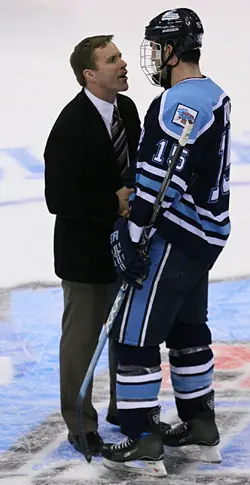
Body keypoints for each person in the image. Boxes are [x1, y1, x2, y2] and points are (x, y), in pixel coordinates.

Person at [102, 8, 231, 477]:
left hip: (175, 237)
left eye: (157, 47)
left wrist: (132, 232)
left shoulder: (181, 100)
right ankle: (201, 427)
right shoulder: (214, 93)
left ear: (173, 51)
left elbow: (163, 175)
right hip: (204, 238)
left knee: (133, 335)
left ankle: (142, 439)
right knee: (187, 333)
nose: (153, 57)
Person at [44, 35, 141, 455]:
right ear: (89, 73)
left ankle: (129, 408)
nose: (123, 65)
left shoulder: (129, 110)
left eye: (120, 58)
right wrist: (112, 203)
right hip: (85, 256)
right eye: (112, 60)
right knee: (82, 344)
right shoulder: (70, 125)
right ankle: (80, 423)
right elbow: (58, 199)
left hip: (128, 247)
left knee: (129, 337)